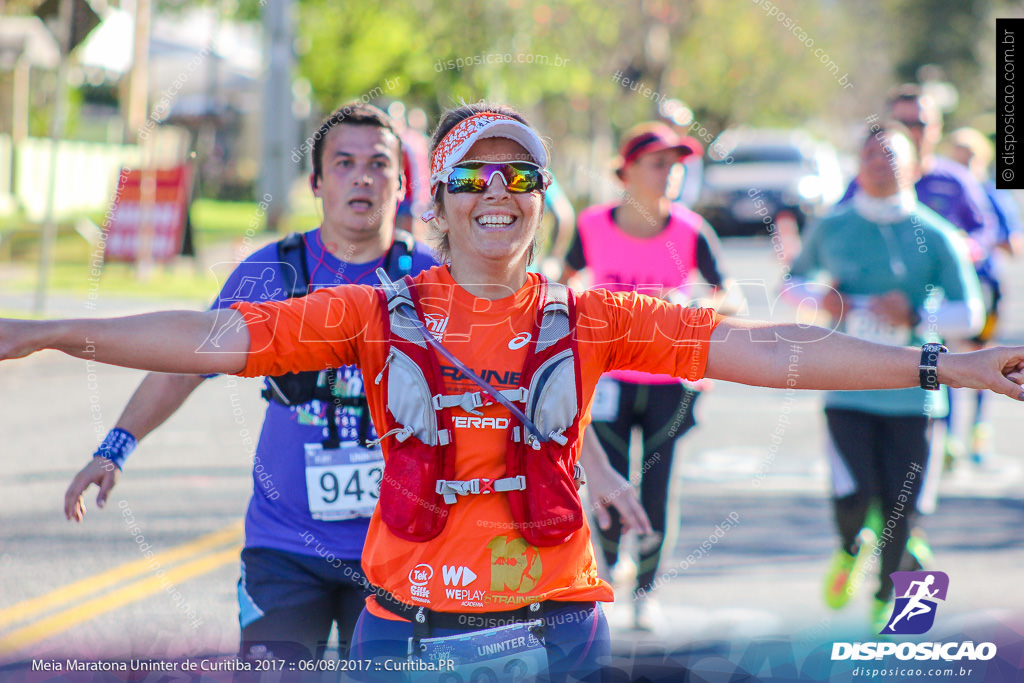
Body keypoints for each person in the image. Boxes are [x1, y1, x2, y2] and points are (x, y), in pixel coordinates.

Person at [4, 103, 1023, 683]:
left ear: (543, 203)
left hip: (552, 632)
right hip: (400, 629)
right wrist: (51, 331)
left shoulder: (590, 315)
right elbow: (211, 335)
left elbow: (773, 348)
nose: (498, 196)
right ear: (438, 205)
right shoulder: (370, 310)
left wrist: (945, 363)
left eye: (521, 180)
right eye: (473, 180)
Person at [62, 102, 441, 667]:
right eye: (343, 163)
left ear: (403, 182)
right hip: (284, 549)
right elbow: (184, 363)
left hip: (402, 549)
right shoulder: (272, 273)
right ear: (315, 182)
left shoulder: (431, 281)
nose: (362, 176)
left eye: (379, 164)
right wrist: (114, 447)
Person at [786, 122, 985, 631]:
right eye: (870, 155)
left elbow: (972, 313)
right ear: (858, 165)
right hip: (845, 388)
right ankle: (851, 547)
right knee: (855, 496)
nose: (879, 164)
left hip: (915, 396)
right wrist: (827, 299)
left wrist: (917, 318)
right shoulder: (832, 226)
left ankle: (885, 599)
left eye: (891, 156)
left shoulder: (937, 234)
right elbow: (792, 288)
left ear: (915, 165)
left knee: (902, 506)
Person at [560, 122, 732, 630]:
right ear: (627, 170)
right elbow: (562, 283)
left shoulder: (690, 229)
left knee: (657, 490)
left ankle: (647, 593)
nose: (670, 173)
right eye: (659, 163)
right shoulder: (592, 225)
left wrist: (692, 304)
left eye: (677, 164)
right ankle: (610, 575)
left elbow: (727, 293)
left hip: (669, 383)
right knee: (608, 485)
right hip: (608, 381)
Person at [946, 126, 1024, 462]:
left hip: (985, 285)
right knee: (945, 355)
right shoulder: (944, 191)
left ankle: (978, 429)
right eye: (958, 154)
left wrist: (978, 242)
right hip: (947, 289)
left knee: (981, 355)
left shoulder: (993, 196)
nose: (965, 162)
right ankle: (947, 432)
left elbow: (1014, 244)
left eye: (971, 155)